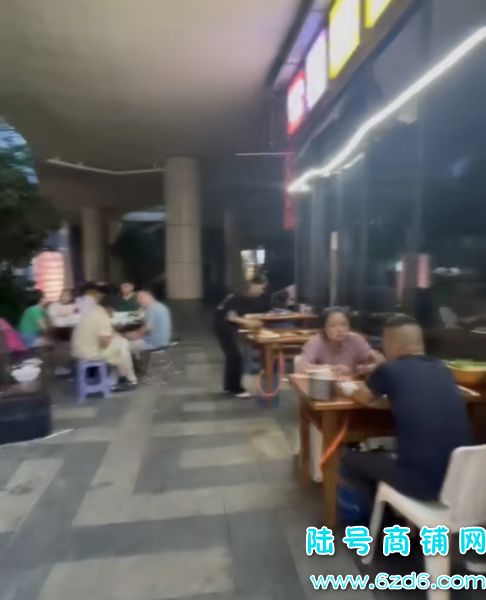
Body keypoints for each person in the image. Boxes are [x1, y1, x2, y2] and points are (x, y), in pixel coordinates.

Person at [342, 314, 473, 513]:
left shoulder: (388, 369)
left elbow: (362, 397)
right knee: (389, 456)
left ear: (390, 343)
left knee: (347, 458)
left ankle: (373, 523)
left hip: (421, 485)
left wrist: (351, 387)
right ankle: (392, 513)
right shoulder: (443, 369)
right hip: (459, 485)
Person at [72, 286, 137, 390]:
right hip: (89, 352)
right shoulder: (103, 318)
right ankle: (125, 380)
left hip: (78, 349)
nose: (114, 313)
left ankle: (116, 379)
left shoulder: (93, 311)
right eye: (114, 310)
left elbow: (105, 331)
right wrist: (112, 339)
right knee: (120, 349)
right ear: (110, 308)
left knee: (119, 345)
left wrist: (114, 335)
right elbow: (104, 343)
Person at [214, 277, 267, 398]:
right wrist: (250, 323)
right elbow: (231, 317)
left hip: (222, 325)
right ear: (253, 285)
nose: (262, 292)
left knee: (233, 357)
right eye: (261, 288)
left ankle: (230, 387)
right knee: (236, 356)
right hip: (224, 327)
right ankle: (235, 389)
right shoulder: (239, 297)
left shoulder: (237, 294)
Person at [296, 307, 383, 376]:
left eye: (343, 325)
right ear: (324, 328)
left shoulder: (356, 340)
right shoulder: (316, 342)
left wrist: (368, 368)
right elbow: (302, 366)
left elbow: (380, 360)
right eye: (332, 326)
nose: (339, 330)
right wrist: (331, 369)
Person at [127, 290, 171, 355]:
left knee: (123, 347)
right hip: (162, 341)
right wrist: (137, 333)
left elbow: (147, 327)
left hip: (155, 344)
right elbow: (149, 326)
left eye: (140, 298)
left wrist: (136, 335)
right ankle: (138, 357)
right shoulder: (160, 306)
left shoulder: (151, 308)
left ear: (148, 297)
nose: (138, 301)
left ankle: (134, 359)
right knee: (130, 336)